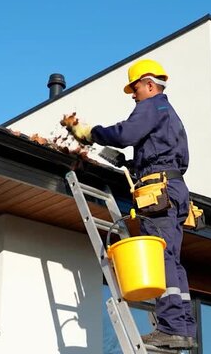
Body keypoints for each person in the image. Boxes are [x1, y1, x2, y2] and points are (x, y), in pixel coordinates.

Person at [67, 59, 197, 350]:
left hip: (157, 192)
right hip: (175, 190)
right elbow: (171, 157)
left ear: (150, 84)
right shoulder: (170, 114)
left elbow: (125, 134)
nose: (133, 95)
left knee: (160, 258)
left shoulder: (151, 106)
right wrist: (130, 162)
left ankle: (171, 328)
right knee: (173, 261)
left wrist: (91, 133)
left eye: (135, 88)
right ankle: (184, 328)